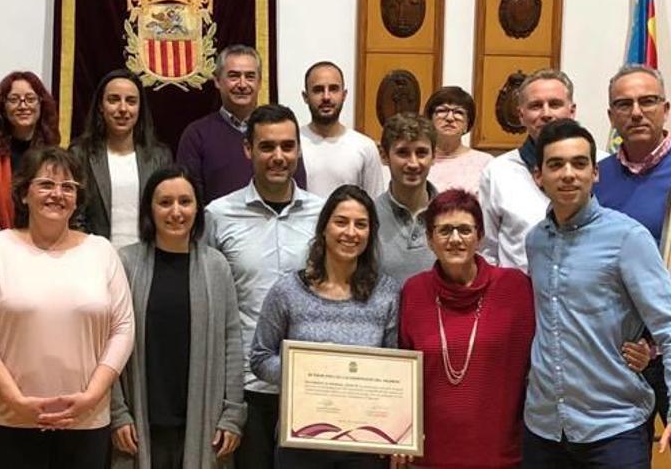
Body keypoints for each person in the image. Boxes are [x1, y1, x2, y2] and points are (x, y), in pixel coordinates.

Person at [0, 146, 134, 469]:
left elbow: (123, 329)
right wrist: (16, 400)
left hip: (86, 420)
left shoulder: (102, 252)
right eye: (46, 185)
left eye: (68, 187)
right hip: (10, 419)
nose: (58, 194)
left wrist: (92, 396)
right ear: (24, 193)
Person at [523, 118, 671, 467]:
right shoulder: (535, 241)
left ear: (596, 173)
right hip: (544, 426)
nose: (568, 174)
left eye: (579, 163)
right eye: (556, 164)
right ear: (538, 176)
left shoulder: (628, 238)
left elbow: (667, 324)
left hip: (613, 427)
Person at [205, 104, 323, 469]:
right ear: (248, 150)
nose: (278, 157)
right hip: (245, 388)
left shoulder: (323, 216)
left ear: (299, 150)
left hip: (311, 385)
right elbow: (211, 304)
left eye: (287, 146)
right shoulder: (218, 215)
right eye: (267, 147)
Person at [250, 185, 397, 469]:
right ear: (324, 228)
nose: (350, 232)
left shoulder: (387, 294)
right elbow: (259, 357)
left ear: (370, 233)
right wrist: (309, 373)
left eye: (361, 224)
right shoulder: (288, 291)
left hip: (364, 445)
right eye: (341, 222)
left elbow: (393, 367)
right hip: (301, 442)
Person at [110, 165, 246, 468]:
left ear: (198, 208)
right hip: (141, 423)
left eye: (185, 201)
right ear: (149, 209)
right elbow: (108, 344)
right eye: (164, 202)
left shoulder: (216, 266)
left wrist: (233, 413)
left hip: (203, 422)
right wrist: (117, 412)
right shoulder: (125, 264)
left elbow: (232, 343)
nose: (176, 212)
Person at [398, 189, 534, 468]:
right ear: (429, 239)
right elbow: (402, 376)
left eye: (464, 229)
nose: (456, 239)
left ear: (480, 236)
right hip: (428, 455)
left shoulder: (515, 287)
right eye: (445, 230)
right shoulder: (414, 291)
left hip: (499, 455)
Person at [595, 64, 671, 449]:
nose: (637, 112)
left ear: (666, 108)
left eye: (648, 101)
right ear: (611, 116)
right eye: (624, 104)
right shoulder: (595, 178)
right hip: (622, 356)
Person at [479, 69, 588, 272]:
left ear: (572, 111)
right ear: (521, 115)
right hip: (518, 297)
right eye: (536, 106)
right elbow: (487, 251)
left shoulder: (599, 164)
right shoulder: (497, 172)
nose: (546, 114)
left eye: (555, 104)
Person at [177, 45, 306, 204]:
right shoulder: (197, 135)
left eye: (250, 76)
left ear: (259, 82)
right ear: (217, 80)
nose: (242, 84)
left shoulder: (281, 133)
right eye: (234, 76)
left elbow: (298, 189)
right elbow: (188, 198)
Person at [70, 69, 171, 248]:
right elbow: (75, 215)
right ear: (101, 106)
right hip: (96, 260)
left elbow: (166, 213)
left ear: (140, 108)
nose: (123, 109)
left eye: (131, 101)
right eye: (114, 100)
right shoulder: (80, 153)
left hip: (147, 261)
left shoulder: (159, 156)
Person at [0, 71, 60, 228]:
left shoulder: (56, 157)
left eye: (30, 99)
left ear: (41, 104)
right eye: (14, 100)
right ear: (3, 107)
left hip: (47, 244)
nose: (23, 106)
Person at [299, 61, 382, 198]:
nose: (326, 97)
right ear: (305, 97)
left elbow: (374, 205)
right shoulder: (292, 145)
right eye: (318, 90)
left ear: (344, 95)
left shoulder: (365, 147)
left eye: (333, 89)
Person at [375, 112, 438, 284]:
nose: (413, 163)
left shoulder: (450, 214)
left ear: (434, 156)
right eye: (402, 153)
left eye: (421, 153)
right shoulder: (367, 217)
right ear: (384, 155)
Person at [423, 86, 492, 193]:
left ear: (467, 123)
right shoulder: (418, 160)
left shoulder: (486, 163)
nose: (450, 118)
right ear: (430, 119)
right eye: (442, 110)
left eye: (458, 112)